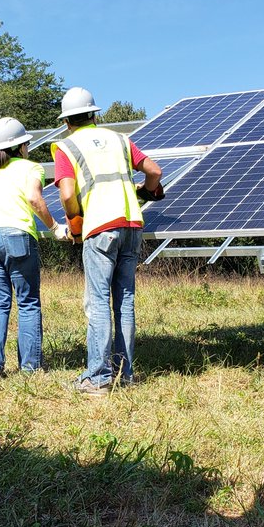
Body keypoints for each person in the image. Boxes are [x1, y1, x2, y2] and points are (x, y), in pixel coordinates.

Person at [52, 86, 164, 396]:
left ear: (66, 121)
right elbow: (154, 171)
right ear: (94, 115)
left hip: (100, 228)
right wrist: (145, 192)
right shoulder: (120, 140)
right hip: (131, 226)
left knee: (99, 302)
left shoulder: (66, 147)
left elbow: (67, 194)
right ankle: (124, 374)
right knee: (125, 302)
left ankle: (98, 378)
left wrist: (75, 224)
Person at [0, 117, 70, 377]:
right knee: (28, 302)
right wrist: (55, 227)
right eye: (26, 144)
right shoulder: (31, 168)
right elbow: (33, 198)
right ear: (20, 147)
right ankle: (30, 367)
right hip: (17, 237)